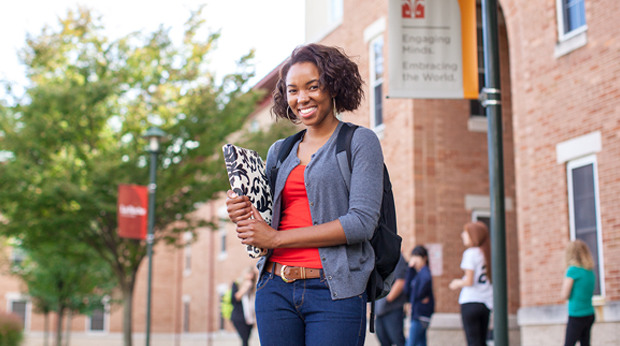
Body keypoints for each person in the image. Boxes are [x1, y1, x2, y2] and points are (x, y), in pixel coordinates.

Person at [226, 43, 384, 346]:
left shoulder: (359, 141)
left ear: (334, 86)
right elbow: (266, 220)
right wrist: (243, 211)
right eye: (293, 90)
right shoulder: (280, 151)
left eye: (313, 87)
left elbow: (361, 222)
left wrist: (276, 239)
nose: (302, 99)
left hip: (334, 290)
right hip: (274, 288)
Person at [449, 221, 493, 346]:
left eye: (466, 233)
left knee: (472, 341)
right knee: (481, 341)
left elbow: (469, 281)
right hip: (485, 302)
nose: (462, 235)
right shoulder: (486, 253)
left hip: (470, 301)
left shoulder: (470, 253)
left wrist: (457, 283)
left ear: (474, 235)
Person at [561, 240, 596, 346]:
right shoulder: (589, 271)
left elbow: (564, 294)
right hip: (589, 314)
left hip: (577, 315)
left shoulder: (572, 270)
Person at [374, 254, 408, 346]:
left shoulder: (397, 256)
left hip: (392, 308)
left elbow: (401, 281)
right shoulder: (376, 255)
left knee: (398, 340)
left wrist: (387, 299)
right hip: (378, 310)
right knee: (383, 340)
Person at [404, 245, 434, 346]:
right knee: (421, 343)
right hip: (419, 315)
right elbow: (406, 290)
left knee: (410, 343)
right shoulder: (417, 273)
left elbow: (425, 283)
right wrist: (410, 270)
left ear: (424, 258)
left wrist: (418, 297)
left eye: (417, 256)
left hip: (420, 315)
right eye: (413, 256)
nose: (415, 259)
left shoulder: (424, 271)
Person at [231, 266, 257, 346]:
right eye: (249, 274)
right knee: (245, 339)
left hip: (249, 318)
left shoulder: (253, 288)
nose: (250, 279)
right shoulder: (237, 284)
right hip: (239, 317)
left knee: (246, 340)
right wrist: (245, 288)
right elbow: (234, 300)